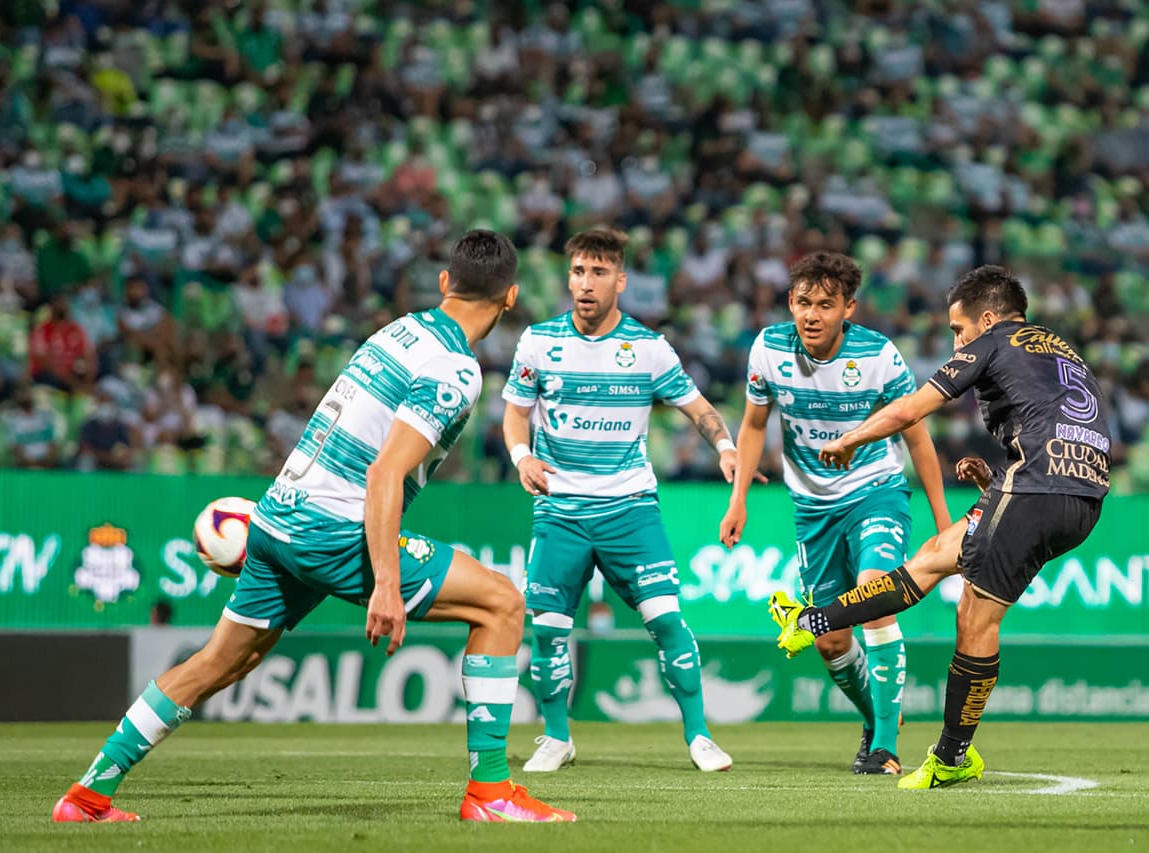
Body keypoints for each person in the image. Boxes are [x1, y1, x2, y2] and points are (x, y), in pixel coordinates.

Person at [51, 230, 577, 824]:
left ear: (444, 283)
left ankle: (88, 795)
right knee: (502, 604)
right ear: (510, 299)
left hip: (277, 517)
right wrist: (385, 584)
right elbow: (383, 475)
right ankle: (490, 794)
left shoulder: (398, 331)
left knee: (219, 662)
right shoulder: (454, 369)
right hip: (334, 527)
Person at [770, 265, 1109, 789]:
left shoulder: (995, 340)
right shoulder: (1061, 349)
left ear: (988, 318)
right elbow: (1057, 426)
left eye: (957, 330)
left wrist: (851, 440)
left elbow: (910, 410)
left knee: (974, 615)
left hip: (1036, 489)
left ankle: (951, 757)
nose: (956, 342)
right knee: (933, 556)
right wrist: (998, 482)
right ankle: (812, 621)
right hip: (1080, 495)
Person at [502, 228, 737, 773]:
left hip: (630, 507)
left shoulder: (648, 349)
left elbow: (698, 408)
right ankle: (557, 736)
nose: (587, 283)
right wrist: (521, 457)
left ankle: (700, 736)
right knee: (549, 627)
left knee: (667, 619)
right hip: (561, 510)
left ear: (621, 281)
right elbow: (515, 410)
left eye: (599, 272)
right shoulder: (538, 342)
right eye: (579, 271)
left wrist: (724, 447)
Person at [719, 251, 951, 776]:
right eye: (803, 302)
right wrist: (739, 499)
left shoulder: (878, 356)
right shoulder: (768, 349)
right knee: (829, 639)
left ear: (849, 307)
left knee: (873, 595)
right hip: (812, 507)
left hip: (876, 491)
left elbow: (916, 436)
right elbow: (755, 426)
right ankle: (879, 718)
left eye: (826, 304)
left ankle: (886, 748)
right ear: (790, 303)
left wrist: (943, 525)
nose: (812, 315)